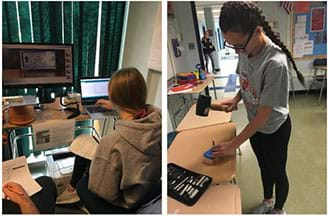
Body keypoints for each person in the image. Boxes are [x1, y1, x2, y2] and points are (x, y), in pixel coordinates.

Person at [211, 2, 305, 214]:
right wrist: (236, 99)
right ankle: (268, 200)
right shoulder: (244, 48)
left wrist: (233, 144)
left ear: (257, 32)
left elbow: (263, 117)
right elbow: (245, 81)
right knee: (264, 167)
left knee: (277, 171)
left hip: (273, 128)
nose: (237, 51)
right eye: (232, 46)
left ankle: (279, 209)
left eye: (239, 46)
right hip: (256, 127)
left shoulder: (275, 63)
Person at [57, 67, 162, 214]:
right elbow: (134, 112)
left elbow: (107, 193)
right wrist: (117, 107)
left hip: (127, 203)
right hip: (150, 190)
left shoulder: (112, 142)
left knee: (82, 184)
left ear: (112, 96)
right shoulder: (158, 119)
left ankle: (71, 191)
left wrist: (96, 168)